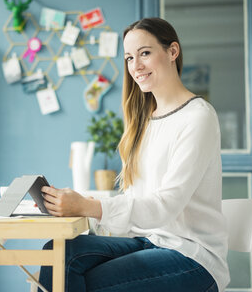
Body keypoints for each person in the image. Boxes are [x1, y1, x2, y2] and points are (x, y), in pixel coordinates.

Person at [39, 17, 229, 292]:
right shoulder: (146, 120)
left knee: (80, 283)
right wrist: (78, 204)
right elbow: (137, 198)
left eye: (145, 53)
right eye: (129, 58)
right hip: (149, 239)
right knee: (58, 254)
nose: (135, 66)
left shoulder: (198, 117)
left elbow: (166, 206)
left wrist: (88, 207)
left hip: (192, 257)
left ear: (172, 51)